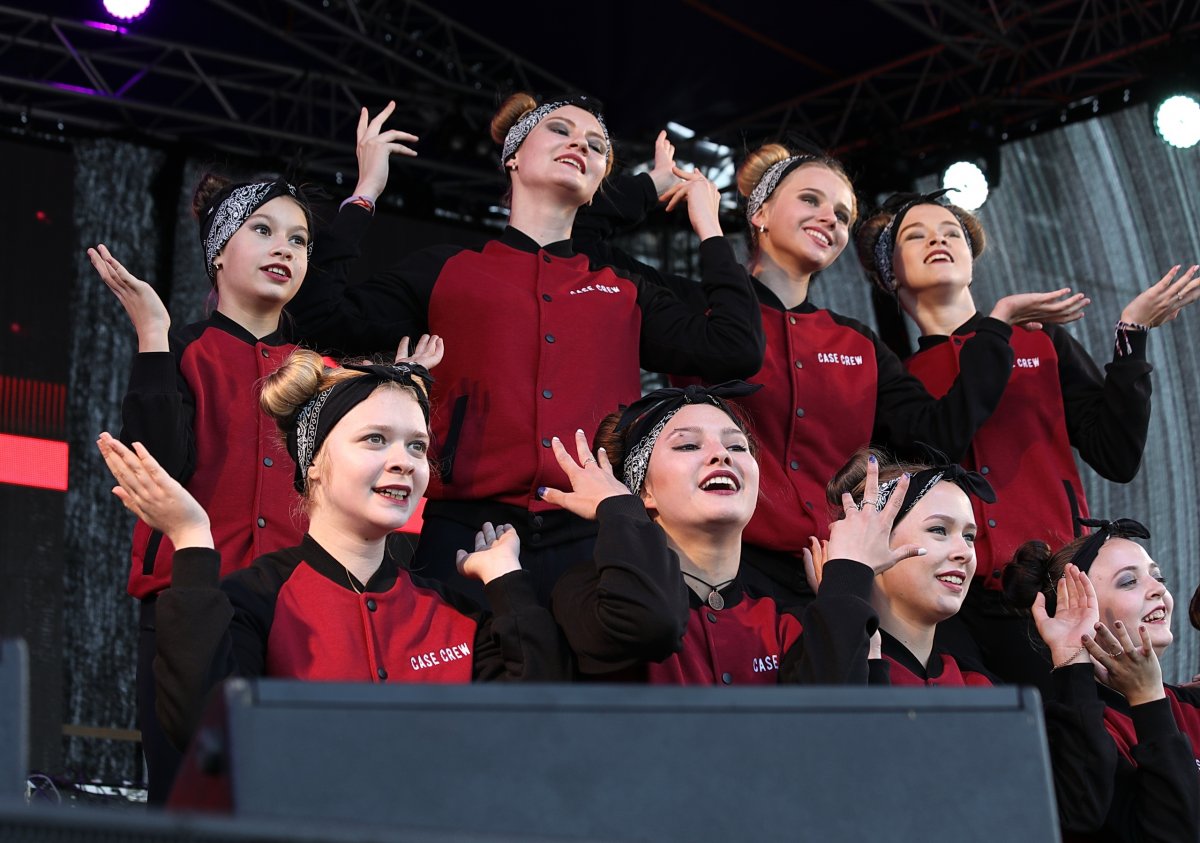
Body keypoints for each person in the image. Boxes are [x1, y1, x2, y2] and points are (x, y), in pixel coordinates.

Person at [285, 97, 764, 601]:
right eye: (559, 130)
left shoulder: (623, 287)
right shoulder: (447, 269)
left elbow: (734, 347)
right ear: (512, 156)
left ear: (600, 180)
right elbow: (318, 319)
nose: (580, 144)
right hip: (465, 531)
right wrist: (365, 192)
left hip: (594, 533)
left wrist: (709, 228)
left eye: (596, 145)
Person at [573, 139, 1035, 607]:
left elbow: (939, 434)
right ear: (760, 214)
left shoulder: (859, 343)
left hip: (833, 574)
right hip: (716, 568)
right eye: (810, 200)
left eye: (841, 215)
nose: (829, 219)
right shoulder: (699, 307)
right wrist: (658, 186)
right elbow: (577, 241)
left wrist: (993, 331)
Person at [96, 352, 568, 756]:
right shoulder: (252, 602)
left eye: (418, 445)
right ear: (314, 461)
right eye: (375, 439)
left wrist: (508, 582)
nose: (405, 460)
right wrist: (192, 538)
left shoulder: (459, 615)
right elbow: (202, 729)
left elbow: (538, 735)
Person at [855, 191, 1199, 684]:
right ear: (892, 275)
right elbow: (944, 437)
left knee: (1073, 734)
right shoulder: (898, 378)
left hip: (1054, 589)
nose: (939, 239)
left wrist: (1132, 335)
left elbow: (1116, 455)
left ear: (971, 262)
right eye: (917, 235)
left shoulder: (1041, 340)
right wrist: (995, 327)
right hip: (959, 600)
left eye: (953, 232)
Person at [89, 175, 316, 802]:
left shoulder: (317, 371)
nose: (285, 249)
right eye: (263, 230)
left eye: (299, 240)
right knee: (190, 795)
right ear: (219, 249)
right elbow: (159, 465)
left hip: (294, 610)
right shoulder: (180, 349)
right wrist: (153, 336)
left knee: (289, 798)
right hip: (189, 602)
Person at [544, 384, 918, 686]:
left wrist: (849, 578)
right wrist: (618, 508)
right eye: (688, 445)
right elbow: (649, 623)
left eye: (737, 446)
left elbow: (837, 736)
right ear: (644, 491)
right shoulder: (586, 592)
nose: (721, 456)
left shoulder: (786, 625)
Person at [1004, 520, 1200, 841]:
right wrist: (1147, 698)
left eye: (1157, 575)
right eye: (1128, 582)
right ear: (1076, 611)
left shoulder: (1191, 702)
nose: (1158, 588)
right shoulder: (1073, 732)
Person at [811, 449, 998, 686]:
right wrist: (842, 593)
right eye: (939, 530)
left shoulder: (978, 685)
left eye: (970, 536)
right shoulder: (814, 658)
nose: (965, 553)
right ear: (869, 543)